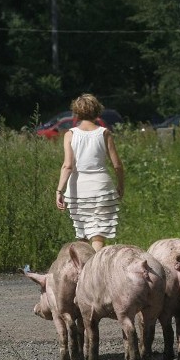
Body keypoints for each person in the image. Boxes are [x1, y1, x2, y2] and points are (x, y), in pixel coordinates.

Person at [55, 93, 124, 252]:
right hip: (102, 188)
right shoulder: (104, 133)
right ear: (97, 110)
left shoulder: (70, 134)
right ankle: (97, 271)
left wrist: (59, 190)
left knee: (82, 233)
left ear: (76, 112)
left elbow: (68, 166)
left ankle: (84, 271)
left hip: (78, 190)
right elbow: (117, 165)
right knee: (98, 234)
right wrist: (121, 185)